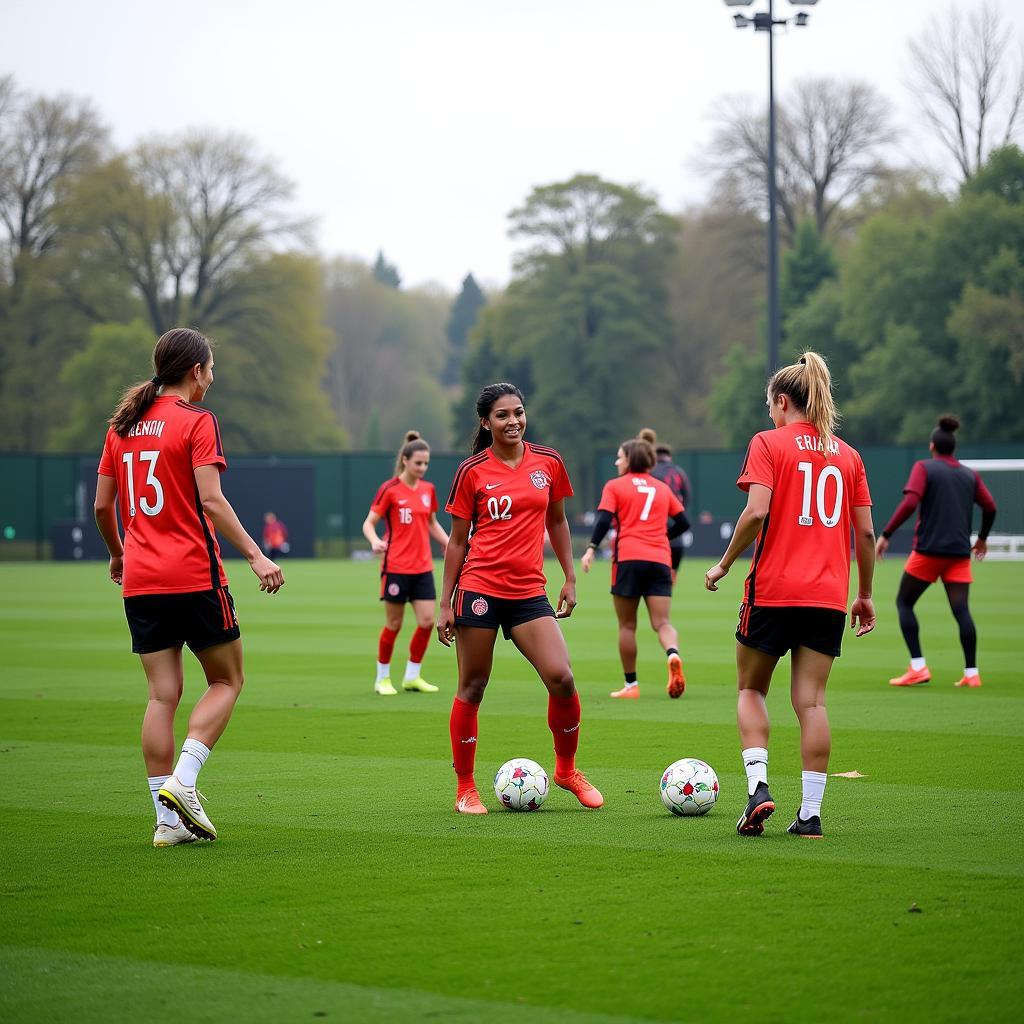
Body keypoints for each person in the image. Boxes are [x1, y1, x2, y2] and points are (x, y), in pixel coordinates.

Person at [93, 327, 284, 847]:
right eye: (211, 369)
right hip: (194, 575)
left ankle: (166, 821)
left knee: (162, 696)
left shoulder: (123, 426)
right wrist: (256, 554)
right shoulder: (197, 421)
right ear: (195, 370)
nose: (212, 380)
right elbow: (212, 500)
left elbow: (102, 507)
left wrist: (118, 553)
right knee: (227, 681)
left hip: (141, 581)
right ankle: (185, 781)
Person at [704, 352, 876, 840]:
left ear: (782, 402)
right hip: (827, 597)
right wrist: (863, 595)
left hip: (773, 592)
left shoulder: (767, 443)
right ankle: (811, 815)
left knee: (751, 690)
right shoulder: (849, 456)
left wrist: (723, 563)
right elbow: (864, 534)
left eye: (770, 407)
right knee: (812, 704)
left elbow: (756, 511)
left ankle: (759, 788)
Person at [438, 383, 603, 815]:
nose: (513, 421)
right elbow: (457, 542)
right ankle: (465, 788)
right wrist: (444, 604)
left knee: (561, 677)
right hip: (479, 591)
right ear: (485, 422)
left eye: (518, 412)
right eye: (502, 415)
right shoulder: (471, 470)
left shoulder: (548, 462)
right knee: (473, 686)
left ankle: (566, 771)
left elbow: (558, 520)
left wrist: (569, 577)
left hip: (529, 591)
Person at [876, 415, 997, 689]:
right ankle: (972, 672)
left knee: (904, 603)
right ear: (953, 448)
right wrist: (982, 540)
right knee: (961, 610)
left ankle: (918, 667)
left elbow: (910, 502)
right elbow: (990, 507)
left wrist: (886, 535)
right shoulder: (969, 474)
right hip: (958, 554)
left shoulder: (924, 468)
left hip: (928, 553)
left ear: (932, 446)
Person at [581, 437, 690, 699]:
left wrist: (591, 548)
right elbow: (684, 522)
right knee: (662, 622)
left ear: (630, 460)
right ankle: (673, 654)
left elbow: (604, 520)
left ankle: (631, 686)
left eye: (620, 457)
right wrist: (663, 534)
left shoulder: (615, 486)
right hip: (659, 560)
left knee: (627, 626)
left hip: (628, 559)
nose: (617, 461)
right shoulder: (662, 488)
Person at [362, 431, 450, 695]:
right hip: (396, 568)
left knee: (426, 622)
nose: (422, 468)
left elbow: (432, 523)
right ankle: (382, 678)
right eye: (418, 463)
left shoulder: (428, 490)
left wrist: (448, 544)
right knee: (394, 624)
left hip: (423, 568)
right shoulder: (389, 490)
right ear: (405, 460)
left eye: (426, 464)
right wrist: (374, 541)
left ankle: (412, 676)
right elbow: (369, 522)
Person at [641, 428, 692, 578]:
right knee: (669, 579)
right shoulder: (679, 472)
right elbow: (687, 500)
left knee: (650, 581)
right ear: (669, 457)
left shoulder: (649, 472)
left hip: (653, 535)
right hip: (676, 536)